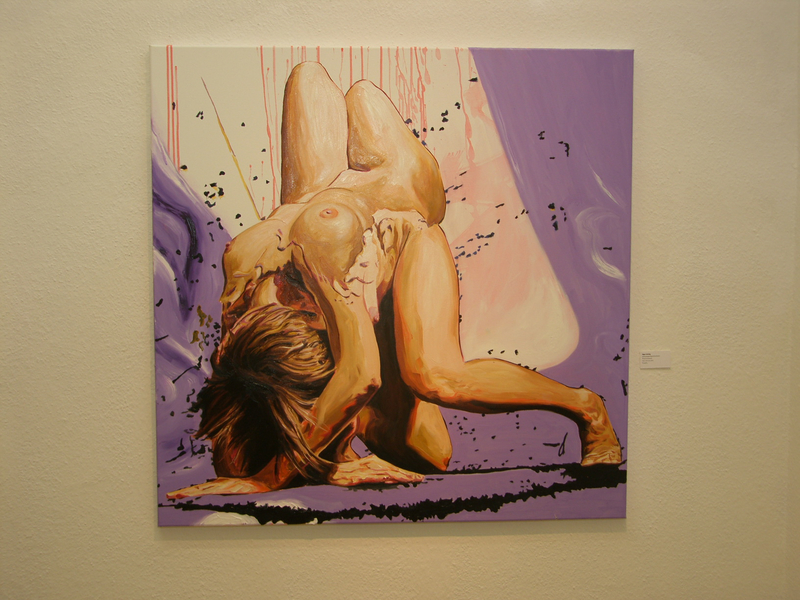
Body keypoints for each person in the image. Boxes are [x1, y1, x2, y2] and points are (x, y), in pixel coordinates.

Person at [167, 62, 621, 500]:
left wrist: (271, 480)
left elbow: (359, 379)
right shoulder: (241, 294)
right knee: (406, 451)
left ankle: (586, 407)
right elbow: (238, 444)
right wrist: (324, 465)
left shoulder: (321, 254)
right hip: (321, 205)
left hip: (396, 209)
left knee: (435, 380)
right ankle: (331, 105)